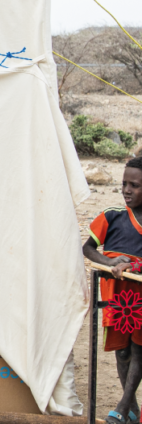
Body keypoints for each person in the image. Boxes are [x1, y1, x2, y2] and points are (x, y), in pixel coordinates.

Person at [83, 157, 142, 424]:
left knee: (139, 349)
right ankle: (133, 409)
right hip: (116, 296)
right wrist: (110, 262)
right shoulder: (112, 216)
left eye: (135, 185)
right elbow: (88, 248)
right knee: (122, 351)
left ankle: (122, 405)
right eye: (124, 184)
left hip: (139, 297)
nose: (127, 190)